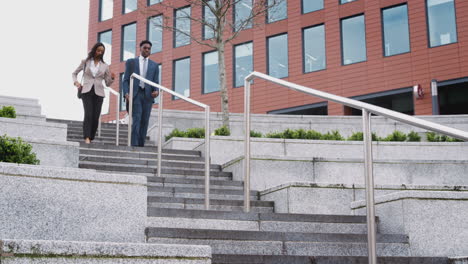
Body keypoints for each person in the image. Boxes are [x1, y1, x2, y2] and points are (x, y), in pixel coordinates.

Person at [72, 42, 115, 144]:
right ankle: (86, 137)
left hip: (99, 92)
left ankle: (91, 137)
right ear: (94, 50)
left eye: (102, 51)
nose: (99, 53)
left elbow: (108, 83)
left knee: (96, 116)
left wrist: (112, 78)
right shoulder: (85, 62)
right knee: (88, 114)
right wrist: (76, 82)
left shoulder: (105, 66)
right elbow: (74, 73)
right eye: (98, 50)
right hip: (86, 91)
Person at [123, 40, 160, 147]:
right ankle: (134, 145)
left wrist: (156, 91)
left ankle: (140, 145)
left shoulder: (154, 65)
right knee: (137, 118)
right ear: (140, 48)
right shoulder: (131, 62)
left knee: (145, 121)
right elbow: (125, 80)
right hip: (136, 94)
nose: (147, 50)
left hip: (148, 96)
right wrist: (126, 93)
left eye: (149, 49)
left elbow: (155, 81)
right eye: (145, 48)